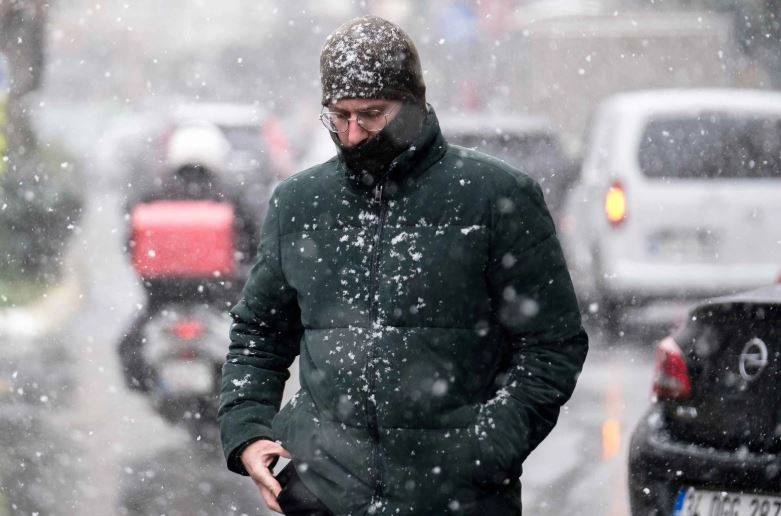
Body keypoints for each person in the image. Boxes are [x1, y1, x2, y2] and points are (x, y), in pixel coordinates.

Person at [218, 15, 588, 516]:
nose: (352, 134)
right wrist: (248, 431)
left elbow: (552, 345)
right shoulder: (299, 203)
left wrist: (487, 447)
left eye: (372, 115)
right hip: (322, 494)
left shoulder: (496, 197)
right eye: (339, 116)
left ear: (413, 103)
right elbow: (259, 332)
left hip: (458, 499)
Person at [118, 123, 260, 392]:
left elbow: (131, 245)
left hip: (162, 297)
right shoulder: (232, 194)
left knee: (129, 346)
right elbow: (256, 242)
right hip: (220, 296)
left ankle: (150, 388)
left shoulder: (153, 193)